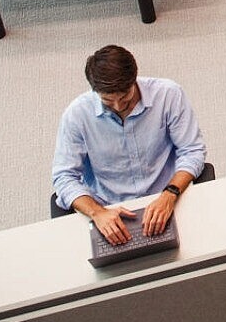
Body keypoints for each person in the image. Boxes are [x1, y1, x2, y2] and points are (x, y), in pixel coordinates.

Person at [52, 45, 206, 245]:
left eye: (124, 96)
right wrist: (97, 213)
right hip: (109, 212)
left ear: (135, 80)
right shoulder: (77, 115)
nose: (118, 106)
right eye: (108, 100)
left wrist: (170, 194)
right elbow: (64, 177)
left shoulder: (168, 95)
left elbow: (192, 151)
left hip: (169, 198)